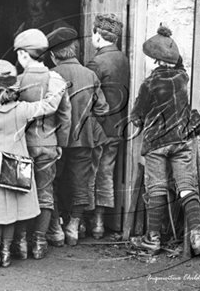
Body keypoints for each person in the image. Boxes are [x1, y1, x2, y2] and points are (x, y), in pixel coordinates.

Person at [0, 60, 66, 268]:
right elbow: (50, 105)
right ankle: (6, 252)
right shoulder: (23, 110)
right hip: (15, 166)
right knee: (10, 211)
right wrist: (56, 81)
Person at [130, 26, 200, 256]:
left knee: (157, 189)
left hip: (157, 144)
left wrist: (138, 116)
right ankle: (196, 235)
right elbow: (180, 63)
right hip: (180, 141)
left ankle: (152, 240)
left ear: (155, 60)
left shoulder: (149, 83)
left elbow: (136, 117)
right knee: (186, 188)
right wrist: (171, 44)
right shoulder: (182, 77)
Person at [12, 29, 72, 259]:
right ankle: (39, 243)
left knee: (20, 193)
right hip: (48, 144)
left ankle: (21, 243)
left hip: (21, 146)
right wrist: (60, 143)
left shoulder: (16, 81)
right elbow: (65, 115)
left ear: (23, 54)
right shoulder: (56, 80)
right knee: (45, 193)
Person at [47, 27, 109, 246]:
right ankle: (73, 227)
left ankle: (56, 228)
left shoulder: (50, 75)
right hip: (84, 138)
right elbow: (102, 109)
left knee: (52, 182)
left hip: (55, 139)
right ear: (74, 50)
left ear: (53, 54)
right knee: (80, 184)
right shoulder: (89, 74)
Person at [86, 13, 130, 239]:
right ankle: (100, 223)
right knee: (106, 172)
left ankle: (85, 222)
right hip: (117, 126)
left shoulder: (97, 62)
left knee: (89, 172)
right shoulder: (123, 58)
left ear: (97, 34)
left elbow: (87, 96)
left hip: (98, 127)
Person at [14, 0, 73, 69]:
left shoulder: (57, 24)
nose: (33, 4)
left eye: (37, 1)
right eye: (30, 0)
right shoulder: (23, 26)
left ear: (46, 3)